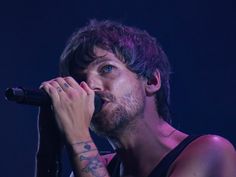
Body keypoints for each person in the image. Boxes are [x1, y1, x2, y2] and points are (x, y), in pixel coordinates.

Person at [36, 20, 236, 177]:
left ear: (150, 80)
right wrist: (48, 146)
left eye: (106, 68)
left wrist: (78, 137)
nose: (89, 86)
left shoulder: (211, 152)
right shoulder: (98, 166)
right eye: (79, 79)